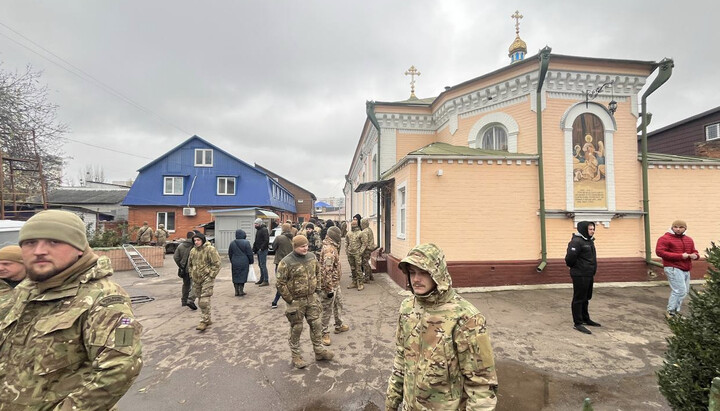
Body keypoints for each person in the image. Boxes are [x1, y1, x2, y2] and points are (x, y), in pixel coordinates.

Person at [0, 210, 143, 409]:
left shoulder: (106, 299)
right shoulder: (25, 291)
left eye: (54, 242)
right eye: (30, 243)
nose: (39, 250)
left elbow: (121, 367)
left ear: (79, 248)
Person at [386, 243, 498, 410]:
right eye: (412, 272)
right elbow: (401, 360)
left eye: (423, 272)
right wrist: (391, 402)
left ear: (437, 274)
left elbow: (481, 385)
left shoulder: (466, 318)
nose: (416, 279)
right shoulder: (407, 308)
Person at [276, 235, 334, 369]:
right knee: (297, 327)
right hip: (296, 301)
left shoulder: (312, 257)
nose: (306, 248)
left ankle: (319, 351)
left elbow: (318, 273)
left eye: (307, 245)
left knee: (316, 324)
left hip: (311, 297)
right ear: (295, 247)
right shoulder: (286, 262)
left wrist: (318, 289)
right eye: (302, 246)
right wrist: (290, 299)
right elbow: (280, 283)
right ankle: (296, 355)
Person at [655, 219, 699, 319]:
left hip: (685, 268)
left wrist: (695, 256)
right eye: (676, 227)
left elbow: (694, 251)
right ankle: (670, 312)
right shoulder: (665, 238)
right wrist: (680, 256)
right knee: (679, 290)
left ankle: (675, 312)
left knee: (684, 291)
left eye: (681, 227)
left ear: (685, 228)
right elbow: (660, 252)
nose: (678, 229)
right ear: (672, 227)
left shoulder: (689, 239)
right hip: (673, 267)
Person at [564, 221, 601, 334]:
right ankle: (578, 323)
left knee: (586, 297)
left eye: (593, 229)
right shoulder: (576, 242)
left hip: (589, 274)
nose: (592, 231)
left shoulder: (589, 241)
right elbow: (569, 259)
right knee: (579, 298)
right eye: (590, 229)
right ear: (584, 229)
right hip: (580, 274)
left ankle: (585, 318)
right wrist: (575, 267)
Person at [319, 226, 349, 346]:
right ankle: (324, 332)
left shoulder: (332, 247)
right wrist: (329, 288)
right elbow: (327, 270)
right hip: (329, 286)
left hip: (335, 283)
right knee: (327, 309)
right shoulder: (329, 250)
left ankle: (339, 325)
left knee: (338, 304)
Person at [187, 232, 221, 331]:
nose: (196, 242)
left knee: (204, 300)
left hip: (207, 278)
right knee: (200, 299)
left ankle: (203, 321)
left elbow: (217, 264)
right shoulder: (193, 251)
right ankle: (208, 318)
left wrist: (211, 275)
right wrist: (191, 274)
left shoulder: (210, 250)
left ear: (202, 240)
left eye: (198, 240)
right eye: (195, 240)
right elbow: (190, 264)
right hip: (196, 279)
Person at [271, 223, 294, 308]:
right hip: (291, 263)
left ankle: (275, 301)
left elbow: (273, 247)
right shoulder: (293, 239)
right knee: (289, 282)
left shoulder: (279, 238)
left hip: (280, 262)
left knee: (280, 283)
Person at [173, 231, 197, 310]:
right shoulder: (195, 246)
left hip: (184, 269)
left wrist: (181, 265)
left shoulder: (181, 246)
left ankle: (184, 300)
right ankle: (190, 299)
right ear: (193, 237)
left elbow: (176, 257)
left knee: (185, 285)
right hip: (193, 268)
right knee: (195, 284)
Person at [228, 229, 254, 297]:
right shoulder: (246, 242)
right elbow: (249, 253)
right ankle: (241, 290)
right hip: (244, 261)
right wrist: (251, 261)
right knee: (243, 275)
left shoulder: (232, 243)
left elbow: (230, 253)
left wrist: (232, 260)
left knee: (235, 275)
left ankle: (236, 291)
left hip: (235, 261)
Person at [346, 219, 365, 291]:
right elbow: (346, 242)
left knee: (358, 268)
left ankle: (360, 283)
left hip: (357, 254)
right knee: (352, 268)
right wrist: (347, 250)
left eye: (354, 224)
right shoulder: (349, 233)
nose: (353, 226)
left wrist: (360, 252)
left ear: (357, 225)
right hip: (350, 253)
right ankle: (354, 282)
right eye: (352, 224)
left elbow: (364, 243)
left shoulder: (360, 233)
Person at [252, 218, 270, 286]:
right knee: (260, 265)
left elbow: (266, 240)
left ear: (259, 224)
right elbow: (256, 240)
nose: (255, 225)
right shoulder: (259, 230)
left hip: (262, 250)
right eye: (255, 224)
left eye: (256, 224)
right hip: (259, 250)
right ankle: (262, 279)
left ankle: (266, 280)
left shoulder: (264, 230)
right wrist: (254, 249)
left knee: (263, 265)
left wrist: (261, 248)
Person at [360, 217, 376, 282]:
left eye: (361, 223)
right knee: (367, 262)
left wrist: (361, 251)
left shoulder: (364, 231)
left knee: (365, 263)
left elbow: (365, 243)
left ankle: (367, 278)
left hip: (366, 249)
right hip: (370, 248)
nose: (361, 225)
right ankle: (371, 276)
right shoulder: (369, 229)